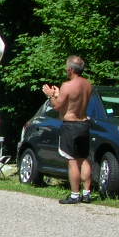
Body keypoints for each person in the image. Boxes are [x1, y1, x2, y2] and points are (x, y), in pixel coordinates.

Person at [43, 55, 95, 204]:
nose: (66, 70)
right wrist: (58, 95)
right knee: (83, 159)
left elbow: (58, 106)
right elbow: (74, 101)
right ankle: (87, 193)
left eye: (67, 67)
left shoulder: (67, 85)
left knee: (72, 161)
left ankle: (74, 194)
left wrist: (51, 95)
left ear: (71, 69)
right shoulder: (88, 85)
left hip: (71, 125)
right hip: (84, 124)